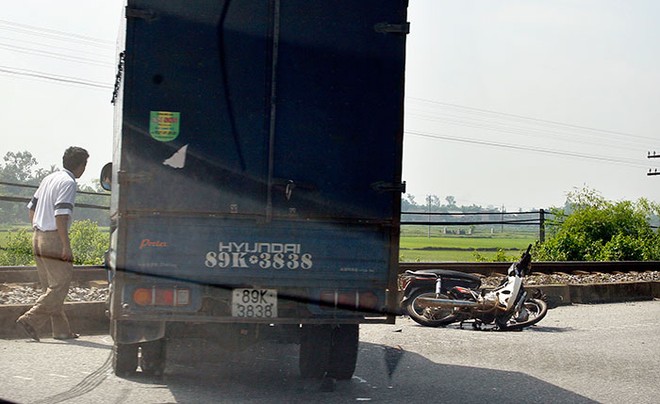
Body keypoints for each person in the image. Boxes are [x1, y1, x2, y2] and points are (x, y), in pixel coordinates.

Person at [16, 147, 89, 342]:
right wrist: (65, 245)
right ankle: (30, 319)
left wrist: (36, 228)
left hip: (38, 235)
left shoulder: (49, 179)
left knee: (49, 287)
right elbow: (61, 215)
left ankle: (62, 331)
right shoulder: (68, 182)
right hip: (53, 237)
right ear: (81, 166)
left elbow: (32, 208)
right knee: (59, 286)